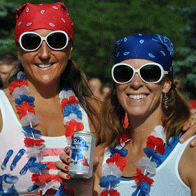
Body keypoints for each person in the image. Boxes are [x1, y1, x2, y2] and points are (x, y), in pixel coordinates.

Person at [57, 34, 196, 195]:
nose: (136, 83)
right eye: (124, 73)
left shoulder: (189, 151)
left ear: (166, 84)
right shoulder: (101, 159)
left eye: (149, 73)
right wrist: (82, 190)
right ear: (116, 84)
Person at [0, 2, 100, 196]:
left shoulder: (93, 111)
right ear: (19, 51)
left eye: (56, 41)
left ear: (69, 48)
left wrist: (177, 120)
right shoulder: (2, 109)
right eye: (31, 42)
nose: (44, 54)